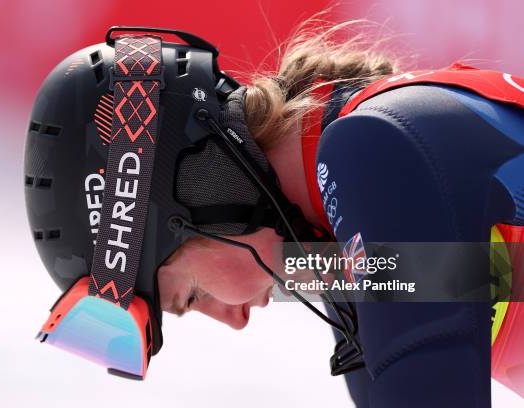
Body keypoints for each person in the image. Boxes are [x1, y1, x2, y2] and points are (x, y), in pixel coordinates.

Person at [156, 21, 524, 407]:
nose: (235, 321)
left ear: (205, 190)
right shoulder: (342, 240)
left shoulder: (371, 150)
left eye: (194, 295)